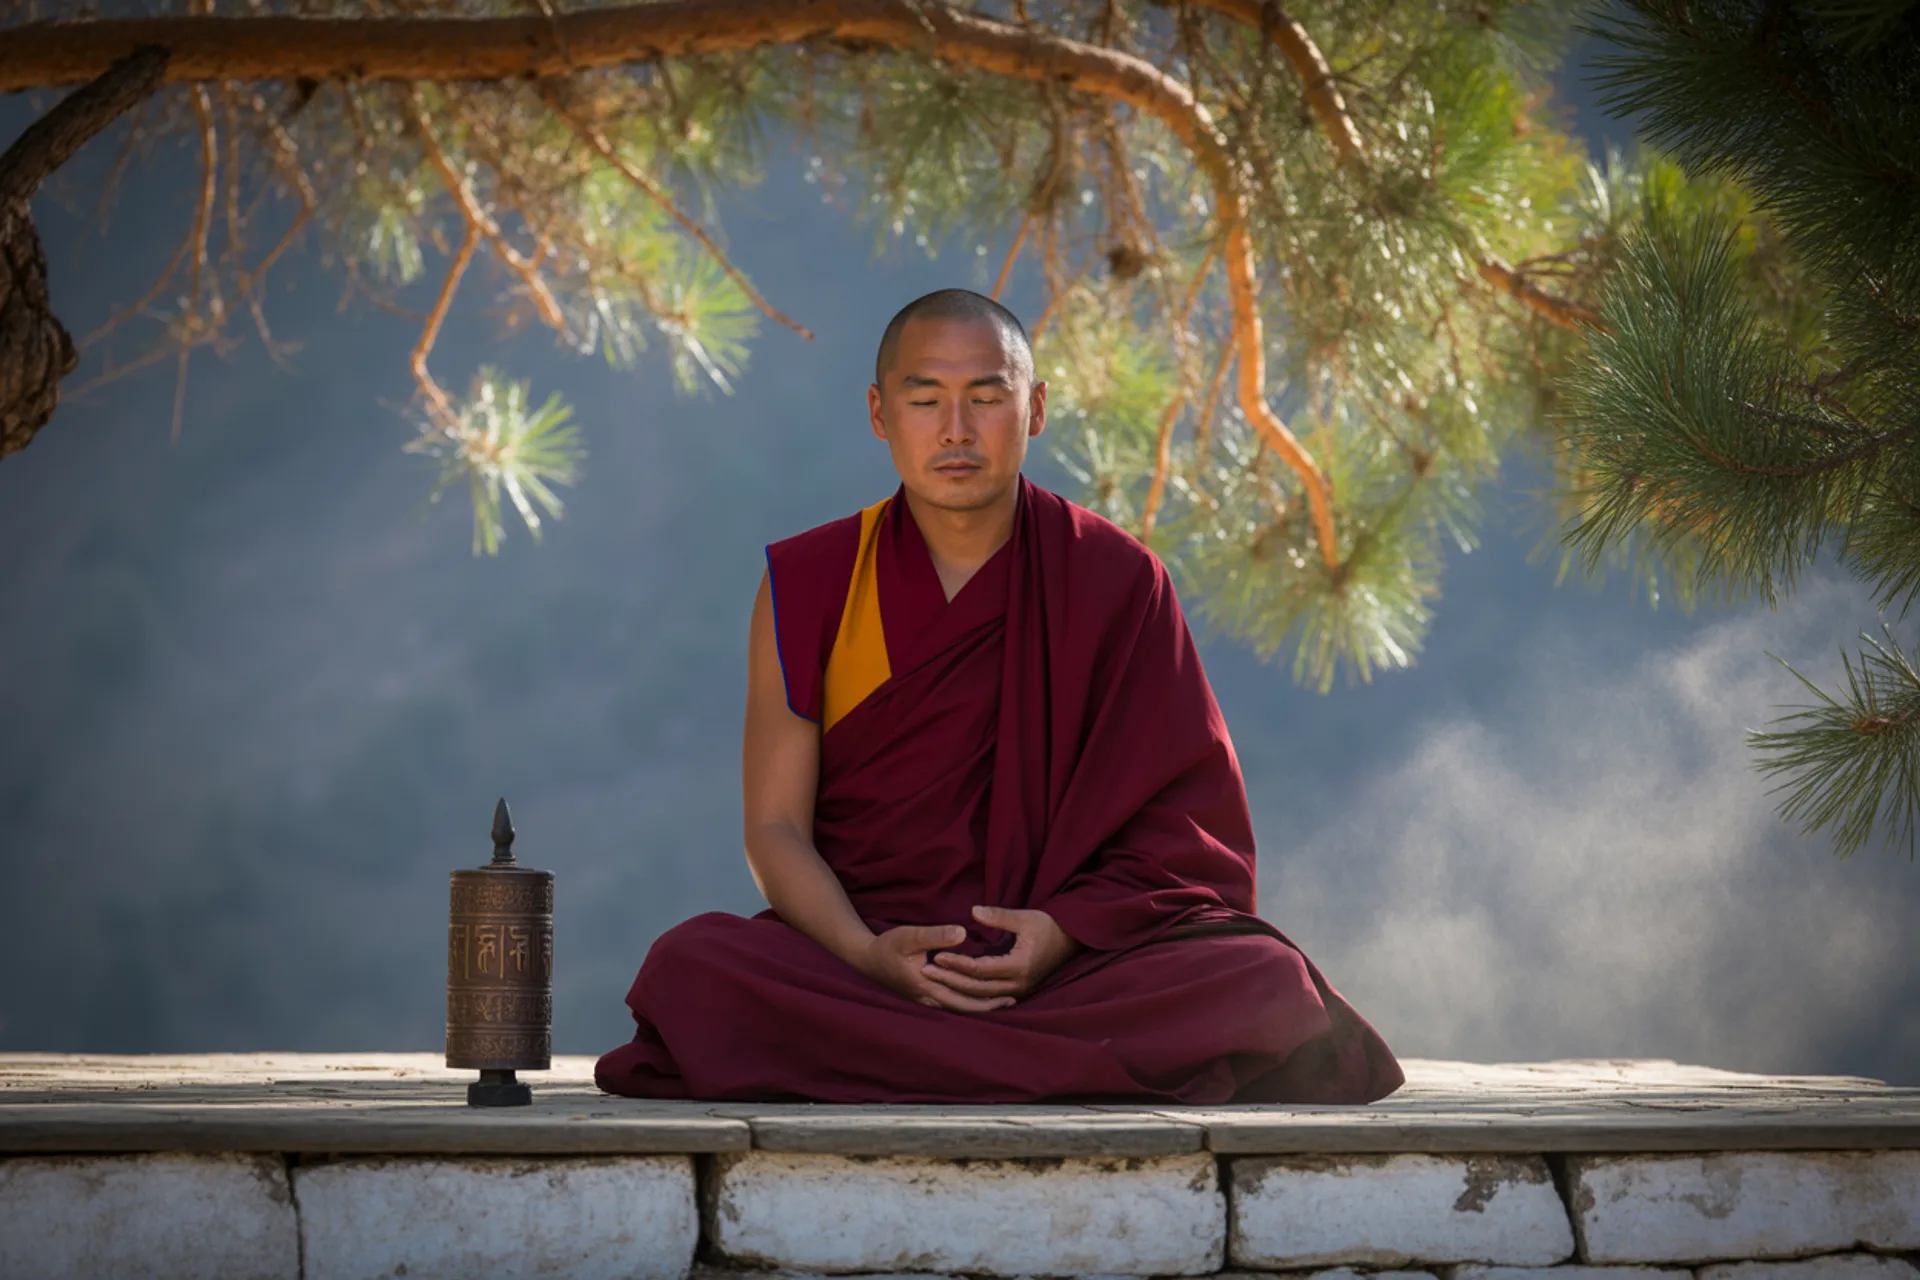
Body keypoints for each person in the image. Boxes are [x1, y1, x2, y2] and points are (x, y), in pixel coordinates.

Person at [594, 289, 1403, 1104]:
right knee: (693, 965)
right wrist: (868, 954)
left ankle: (918, 1057)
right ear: (879, 413)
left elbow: (1181, 835)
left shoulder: (1116, 579)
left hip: (1070, 968)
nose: (956, 429)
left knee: (1258, 978)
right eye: (925, 399)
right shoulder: (811, 582)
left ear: (1036, 407)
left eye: (986, 397)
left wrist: (1060, 934)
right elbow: (773, 827)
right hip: (871, 959)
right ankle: (1035, 1060)